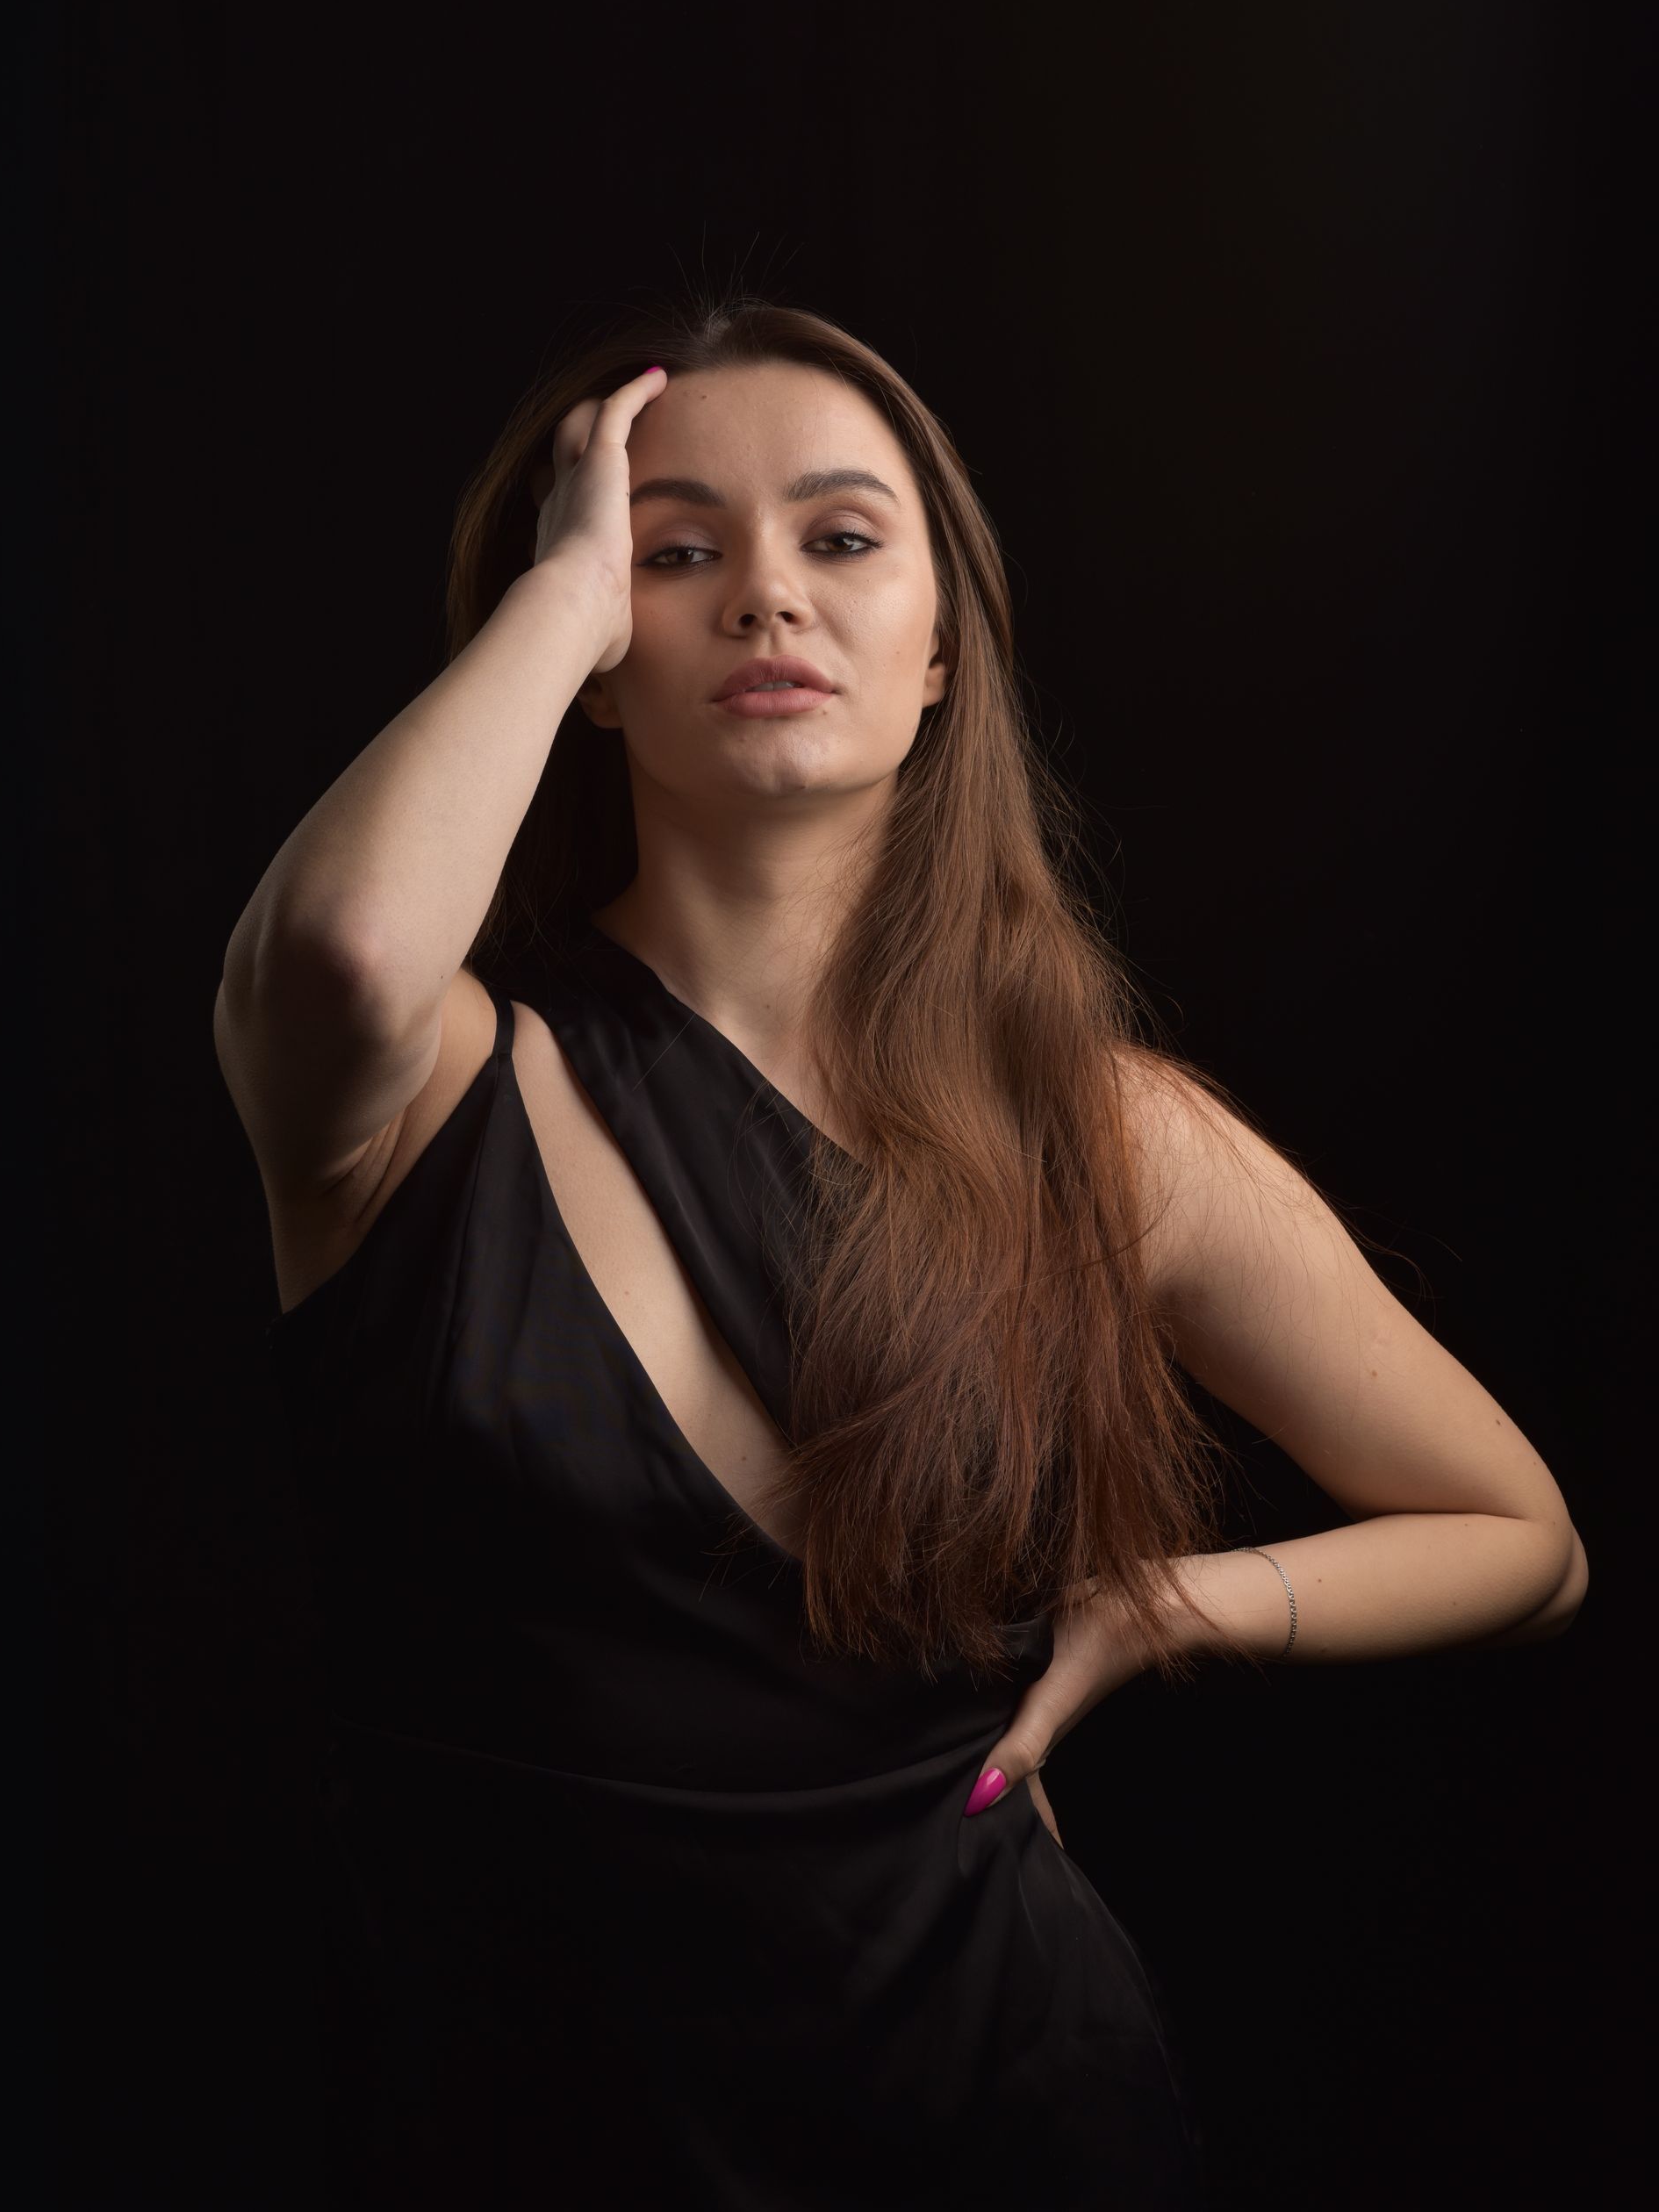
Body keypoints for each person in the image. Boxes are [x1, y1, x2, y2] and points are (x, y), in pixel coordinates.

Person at [214, 293, 1588, 2209]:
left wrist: (1159, 1611)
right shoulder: (428, 1082)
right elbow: (342, 950)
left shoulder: (1103, 1134)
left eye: (843, 540)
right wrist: (560, 598)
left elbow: (1524, 1533)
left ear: (943, 650)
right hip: (516, 2114)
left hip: (1007, 2108)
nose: (765, 596)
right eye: (677, 552)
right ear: (597, 645)